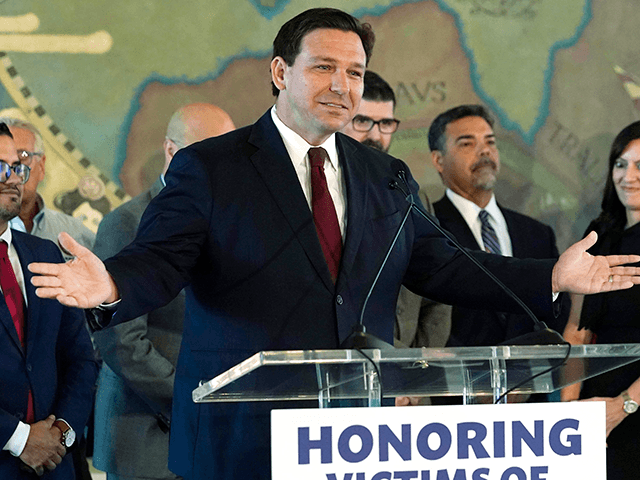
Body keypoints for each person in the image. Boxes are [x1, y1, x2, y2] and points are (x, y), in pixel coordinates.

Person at [27, 8, 640, 480]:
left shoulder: (384, 175)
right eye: (323, 67)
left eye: (355, 72)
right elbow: (161, 258)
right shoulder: (213, 167)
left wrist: (550, 278)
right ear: (279, 72)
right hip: (240, 438)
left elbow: (438, 264)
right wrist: (108, 284)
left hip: (354, 439)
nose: (343, 85)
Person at [91, 103, 235, 480]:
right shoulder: (127, 223)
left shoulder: (232, 224)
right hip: (150, 438)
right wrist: (196, 396)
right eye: (208, 152)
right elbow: (122, 342)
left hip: (221, 434)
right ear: (171, 150)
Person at [0, 122, 98, 478]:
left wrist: (59, 433)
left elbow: (80, 359)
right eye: (1, 166)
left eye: (17, 167)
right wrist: (19, 439)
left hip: (55, 464)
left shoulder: (44, 254)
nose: (13, 178)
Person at [429, 104, 568, 347]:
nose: (484, 151)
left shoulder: (537, 234)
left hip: (532, 380)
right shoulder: (428, 228)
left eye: (490, 142)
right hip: (455, 379)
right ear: (439, 160)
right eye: (467, 143)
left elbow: (557, 315)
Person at [340, 70, 451, 349]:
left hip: (415, 380)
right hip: (356, 372)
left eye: (386, 123)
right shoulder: (323, 193)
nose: (375, 135)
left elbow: (438, 289)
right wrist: (396, 362)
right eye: (363, 121)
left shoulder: (411, 195)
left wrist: (417, 367)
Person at [562, 120, 640, 480]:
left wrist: (623, 406)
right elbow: (577, 332)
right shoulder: (599, 235)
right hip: (593, 412)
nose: (629, 176)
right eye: (621, 164)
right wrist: (567, 410)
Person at [0, 118, 96, 255]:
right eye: (1, 164)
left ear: (41, 165)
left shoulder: (76, 235)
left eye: (22, 156)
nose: (13, 174)